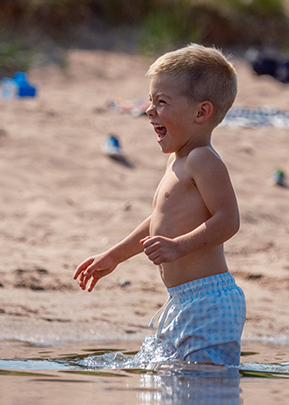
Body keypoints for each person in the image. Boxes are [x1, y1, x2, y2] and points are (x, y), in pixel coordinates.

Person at [73, 43, 246, 366]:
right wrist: (114, 256)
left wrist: (179, 247)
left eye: (161, 102)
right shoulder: (177, 161)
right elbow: (158, 220)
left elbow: (228, 220)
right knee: (169, 384)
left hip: (209, 301)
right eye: (150, 101)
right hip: (184, 300)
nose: (149, 110)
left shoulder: (202, 160)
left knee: (203, 387)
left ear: (201, 112)